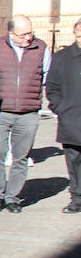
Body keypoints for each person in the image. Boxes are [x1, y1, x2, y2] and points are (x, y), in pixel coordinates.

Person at [0, 15, 52, 213]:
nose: (29, 37)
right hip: (0, 111)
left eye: (30, 32)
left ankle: (12, 197)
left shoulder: (41, 48)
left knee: (21, 156)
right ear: (11, 34)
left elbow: (47, 75)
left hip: (28, 111)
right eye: (24, 34)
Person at [46, 19, 81, 214]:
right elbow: (52, 87)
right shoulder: (62, 58)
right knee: (75, 163)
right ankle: (77, 198)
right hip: (71, 120)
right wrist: (61, 109)